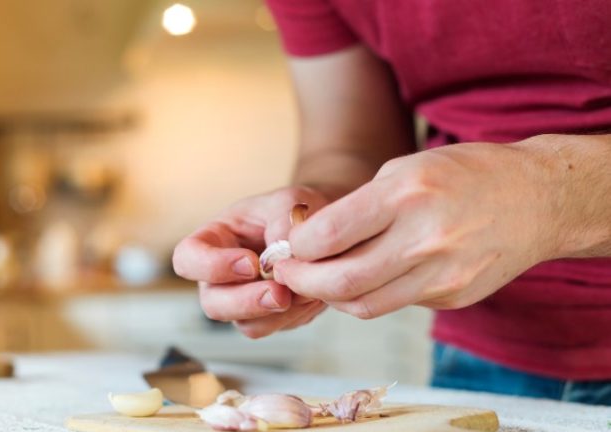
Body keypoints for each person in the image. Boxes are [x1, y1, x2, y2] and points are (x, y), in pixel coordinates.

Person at [172, 0, 611, 405]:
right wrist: (321, 211)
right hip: (480, 360)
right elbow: (349, 145)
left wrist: (545, 197)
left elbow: (541, 199)